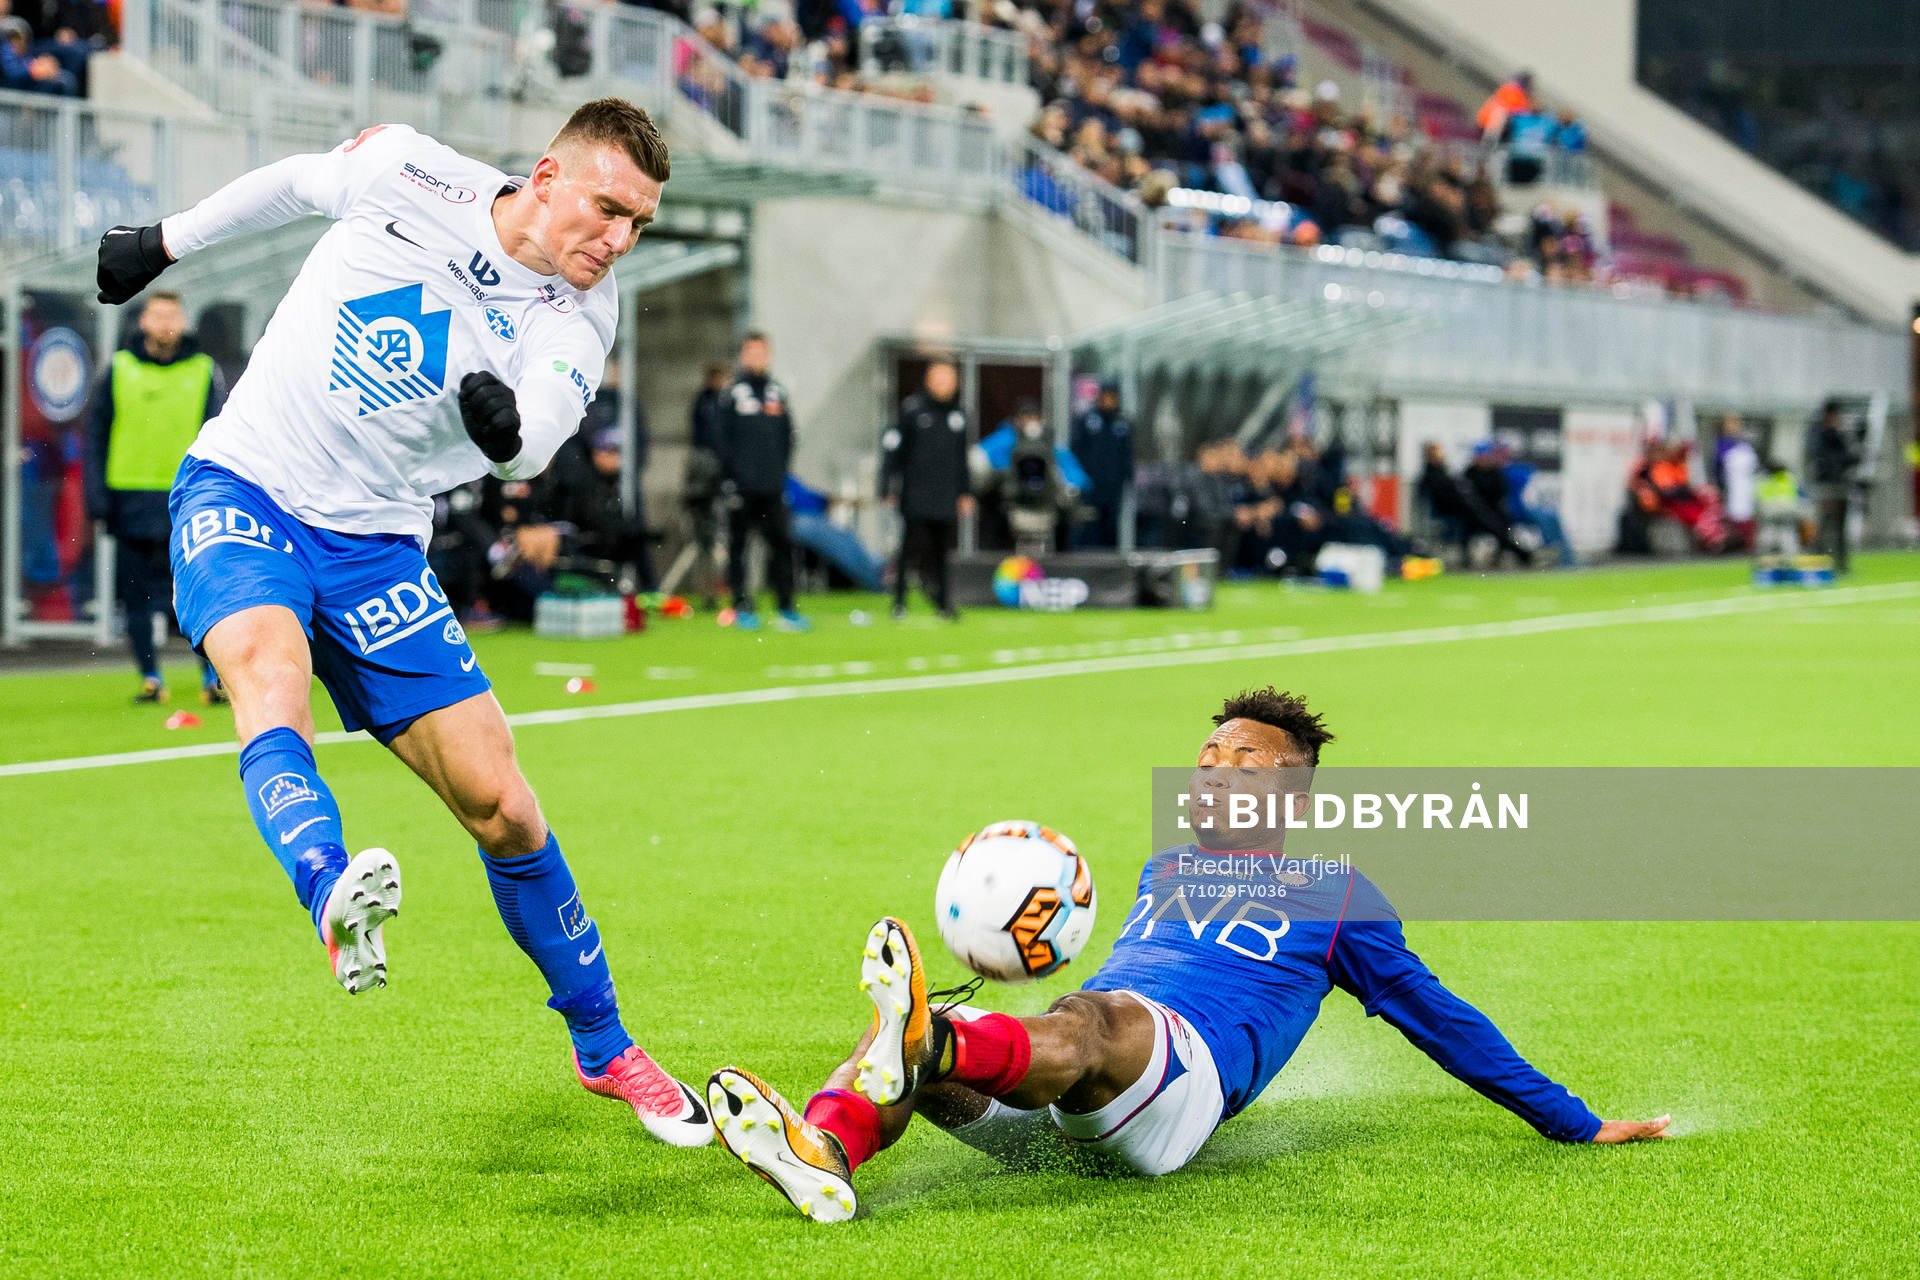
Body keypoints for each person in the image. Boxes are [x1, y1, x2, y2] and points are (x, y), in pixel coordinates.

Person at [92, 99, 712, 1146]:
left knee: (503, 804)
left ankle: (605, 1047)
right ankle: (329, 886)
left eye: (639, 224)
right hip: (246, 487)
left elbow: (535, 439)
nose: (619, 240)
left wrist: (505, 436)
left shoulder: (579, 315)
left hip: (377, 546)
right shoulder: (410, 171)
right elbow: (296, 180)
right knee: (266, 668)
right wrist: (165, 240)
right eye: (609, 209)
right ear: (547, 176)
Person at [703, 687, 1672, 1222]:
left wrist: (1574, 1121)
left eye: (1243, 760)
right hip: (1070, 1100)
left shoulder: (1336, 895)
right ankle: (827, 1152)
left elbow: (1441, 1019)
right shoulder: (1166, 865)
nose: (1213, 769)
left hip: (1176, 1094)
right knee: (932, 1034)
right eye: (1207, 757)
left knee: (1084, 1018)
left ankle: (936, 1041)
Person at [84, 290, 228, 705]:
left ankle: (213, 678)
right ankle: (150, 678)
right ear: (143, 321)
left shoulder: (204, 370)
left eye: (173, 315)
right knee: (135, 597)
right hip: (128, 499)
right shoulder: (119, 368)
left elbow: (220, 434)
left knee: (195, 592)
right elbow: (95, 434)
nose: (166, 323)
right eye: (158, 315)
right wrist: (97, 497)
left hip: (186, 499)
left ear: (183, 323)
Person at [716, 331, 807, 631]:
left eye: (761, 352)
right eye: (751, 352)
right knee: (739, 547)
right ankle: (742, 606)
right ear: (744, 355)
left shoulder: (777, 393)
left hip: (772, 486)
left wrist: (780, 473)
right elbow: (721, 440)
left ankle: (786, 608)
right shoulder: (733, 394)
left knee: (782, 546)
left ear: (768, 355)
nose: (756, 357)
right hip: (741, 487)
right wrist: (731, 478)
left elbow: (788, 437)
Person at [881, 360, 973, 620]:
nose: (945, 384)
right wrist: (887, 486)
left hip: (945, 494)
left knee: (941, 552)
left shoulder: (958, 416)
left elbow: (961, 460)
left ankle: (943, 603)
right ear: (929, 380)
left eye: (949, 379)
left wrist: (965, 492)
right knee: (910, 548)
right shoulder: (911, 410)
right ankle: (899, 602)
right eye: (940, 378)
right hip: (915, 493)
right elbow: (893, 451)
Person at [1069, 382, 1135, 549]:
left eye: (1112, 398)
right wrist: (1081, 479)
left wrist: (1127, 478)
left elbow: (1127, 455)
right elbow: (1077, 451)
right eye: (1105, 397)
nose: (1108, 402)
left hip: (1113, 486)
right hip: (1091, 486)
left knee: (1110, 525)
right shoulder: (1087, 421)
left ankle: (1109, 558)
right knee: (1089, 523)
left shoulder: (1122, 424)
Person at [1805, 399, 1859, 574]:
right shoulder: (1821, 434)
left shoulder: (1831, 433)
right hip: (1828, 486)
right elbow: (1831, 460)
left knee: (1838, 528)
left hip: (1837, 485)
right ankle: (1820, 563)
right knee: (1825, 526)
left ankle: (1839, 565)